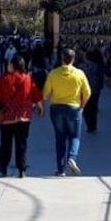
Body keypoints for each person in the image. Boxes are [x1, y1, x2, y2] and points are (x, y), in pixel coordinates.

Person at [0, 55, 44, 178]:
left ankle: (3, 168)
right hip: (24, 117)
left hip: (7, 118)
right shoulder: (28, 79)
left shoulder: (4, 79)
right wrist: (41, 107)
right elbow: (36, 94)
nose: (8, 65)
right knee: (21, 143)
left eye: (10, 63)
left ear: (14, 65)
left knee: (5, 143)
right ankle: (22, 169)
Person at [43, 48, 91, 176]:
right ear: (73, 59)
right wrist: (82, 106)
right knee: (74, 136)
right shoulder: (79, 74)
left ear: (62, 58)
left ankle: (60, 169)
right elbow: (87, 92)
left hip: (57, 108)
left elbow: (45, 93)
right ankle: (72, 157)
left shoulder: (53, 74)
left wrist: (42, 104)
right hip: (73, 108)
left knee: (60, 138)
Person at [83, 48, 109, 133]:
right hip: (96, 89)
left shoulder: (88, 66)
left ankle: (89, 126)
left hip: (88, 89)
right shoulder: (99, 65)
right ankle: (93, 126)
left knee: (87, 108)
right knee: (93, 107)